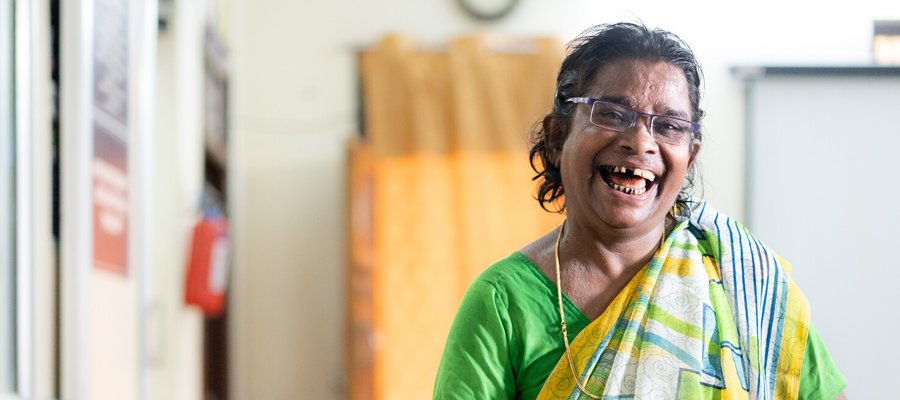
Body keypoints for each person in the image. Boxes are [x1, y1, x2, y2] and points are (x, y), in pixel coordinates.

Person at [433, 22, 847, 400]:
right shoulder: (503, 302)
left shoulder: (748, 283)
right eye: (612, 114)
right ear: (558, 137)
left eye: (669, 126)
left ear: (690, 155)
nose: (640, 142)